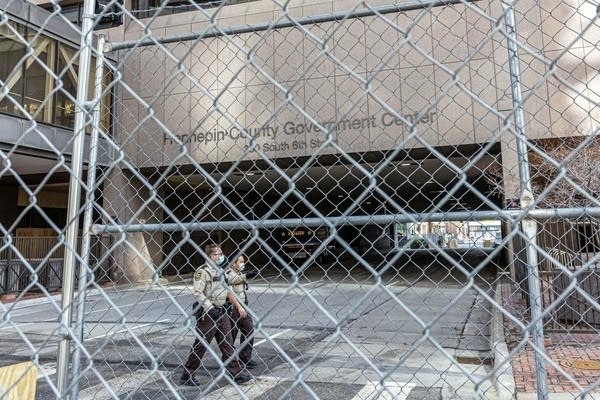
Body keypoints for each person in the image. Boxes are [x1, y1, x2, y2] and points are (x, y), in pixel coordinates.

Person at [180, 243, 252, 386]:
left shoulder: (220, 270)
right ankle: (187, 374)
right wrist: (209, 307)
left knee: (227, 344)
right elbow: (197, 292)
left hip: (222, 312)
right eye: (219, 254)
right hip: (208, 315)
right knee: (201, 345)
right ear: (212, 256)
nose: (222, 256)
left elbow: (230, 280)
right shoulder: (203, 272)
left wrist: (245, 276)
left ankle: (237, 374)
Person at [226, 255, 258, 368]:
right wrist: (248, 275)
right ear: (233, 263)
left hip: (244, 306)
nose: (243, 264)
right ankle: (228, 360)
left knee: (249, 330)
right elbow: (232, 283)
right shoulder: (228, 274)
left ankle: (245, 358)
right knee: (231, 335)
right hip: (234, 308)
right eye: (240, 262)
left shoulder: (239, 273)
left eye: (243, 261)